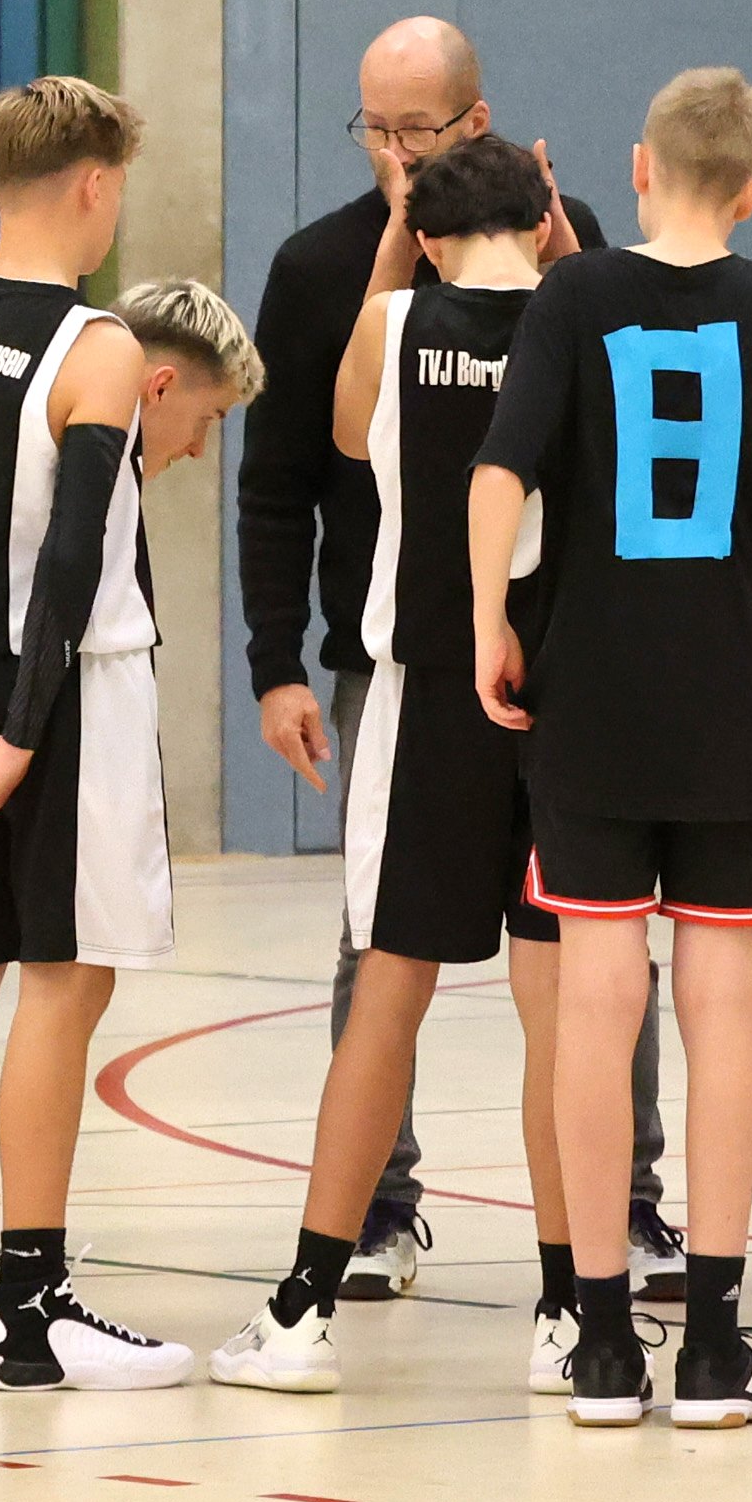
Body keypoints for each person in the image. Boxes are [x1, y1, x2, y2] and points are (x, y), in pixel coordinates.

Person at [238, 13, 672, 1297]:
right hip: (487, 673)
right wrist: (274, 660)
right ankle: (503, 1261)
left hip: (480, 672)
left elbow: (355, 418)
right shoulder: (554, 311)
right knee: (506, 977)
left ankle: (598, 1213)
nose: (391, 149)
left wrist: (428, 250)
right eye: (372, 128)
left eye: (414, 131)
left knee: (489, 971)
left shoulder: (435, 306)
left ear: (471, 128)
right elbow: (282, 483)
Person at [472, 66, 752, 1428]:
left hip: (591, 691)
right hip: (739, 697)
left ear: (639, 168)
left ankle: (596, 1341)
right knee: (723, 1004)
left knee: (595, 1000)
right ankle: (710, 1343)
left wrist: (487, 621)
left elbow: (499, 473)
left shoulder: (572, 293)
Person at [0, 76, 263, 1391]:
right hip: (66, 697)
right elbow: (76, 565)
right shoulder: (94, 349)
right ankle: (30, 1306)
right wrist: (29, 734)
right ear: (95, 185)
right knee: (64, 981)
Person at [211, 134, 575, 1398]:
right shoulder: (588, 327)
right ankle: (570, 1311)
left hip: (430, 696)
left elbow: (347, 435)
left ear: (423, 236)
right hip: (563, 701)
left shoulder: (392, 321)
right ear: (545, 221)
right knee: (561, 1014)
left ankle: (302, 1309)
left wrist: (388, 258)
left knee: (387, 995)